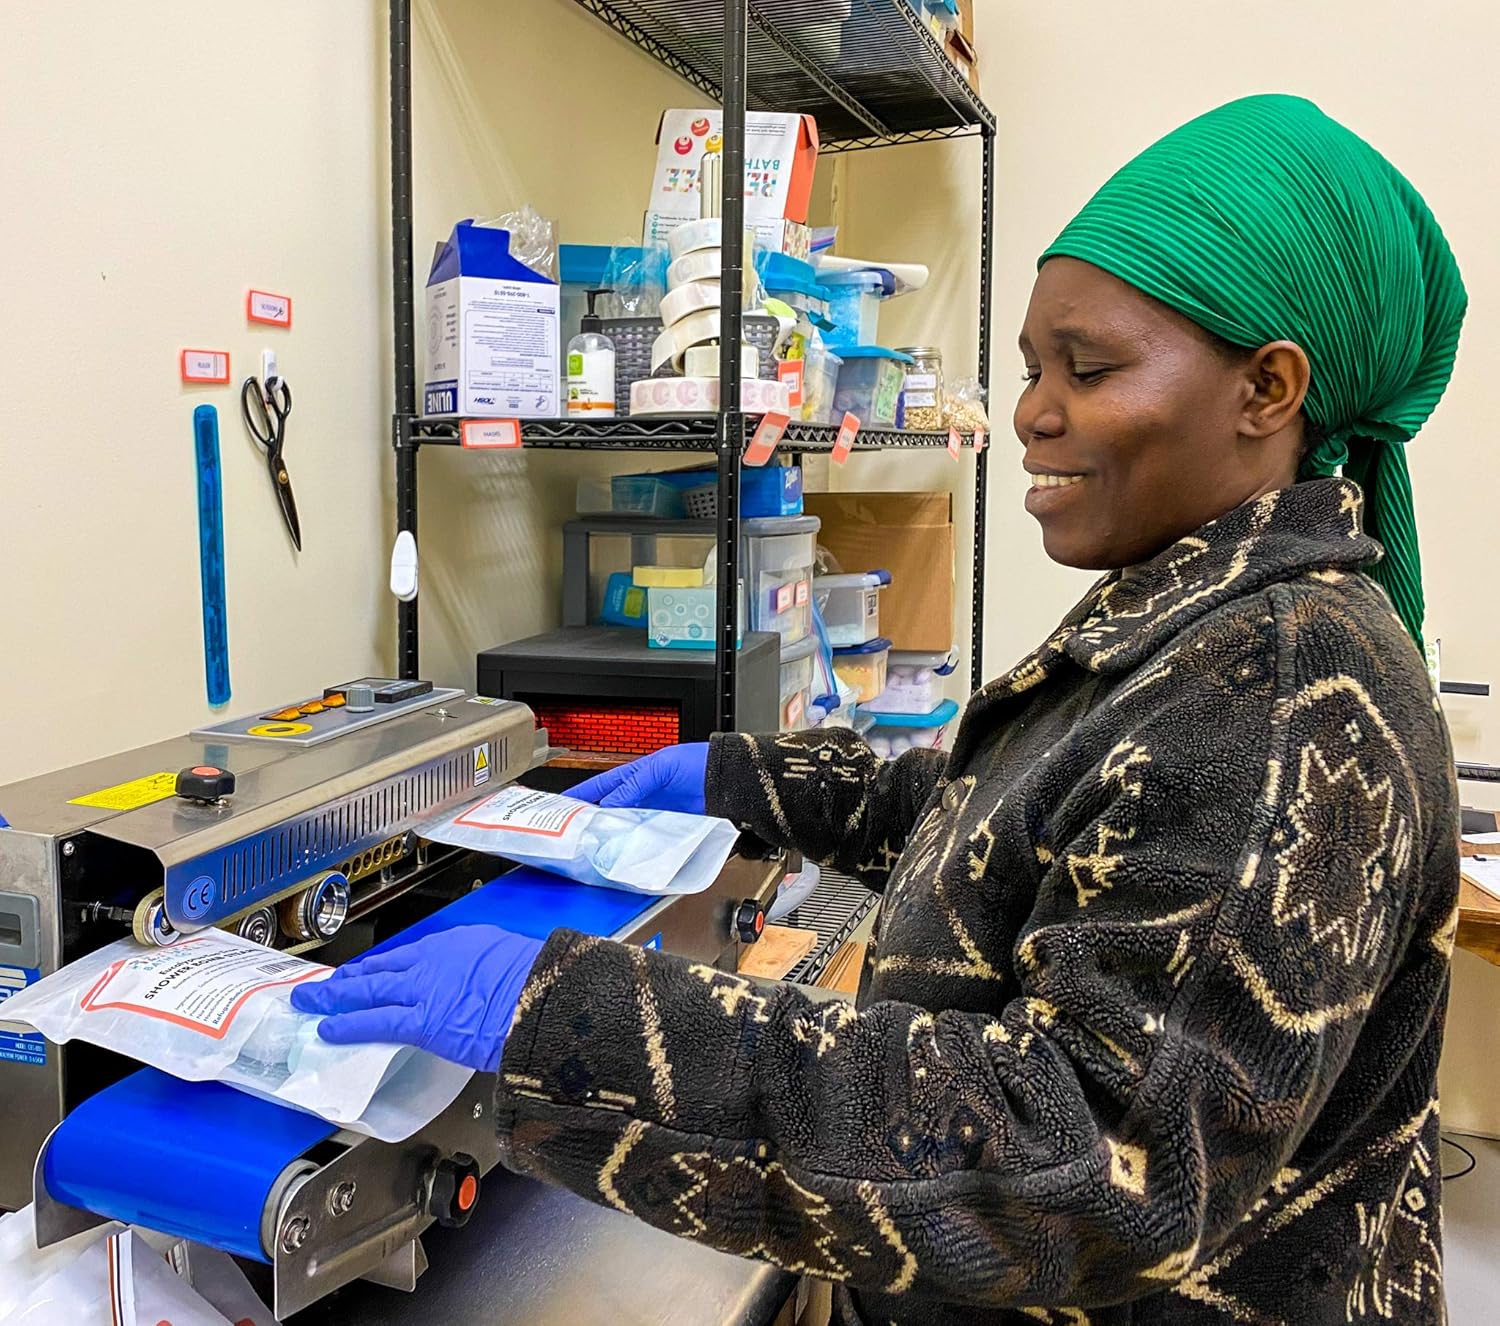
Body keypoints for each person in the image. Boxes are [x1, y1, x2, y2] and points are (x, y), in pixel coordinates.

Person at [294, 95, 1466, 1323]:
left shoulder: (1281, 692)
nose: (1031, 412)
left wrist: (569, 1018)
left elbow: (1082, 1170)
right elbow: (1015, 823)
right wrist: (739, 781)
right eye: (1033, 368)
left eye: (1089, 369)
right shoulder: (1203, 612)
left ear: (1268, 389)